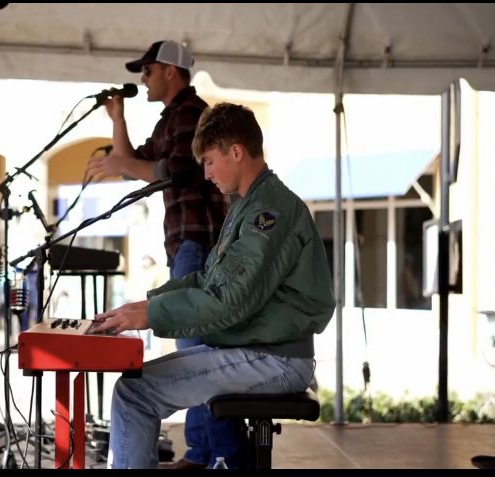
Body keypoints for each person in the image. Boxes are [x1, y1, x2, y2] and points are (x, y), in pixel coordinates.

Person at [91, 102, 337, 469]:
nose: (205, 174)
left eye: (208, 161)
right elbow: (210, 281)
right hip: (261, 350)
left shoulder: (268, 212)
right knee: (134, 387)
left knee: (136, 394)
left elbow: (229, 301)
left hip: (276, 359)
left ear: (236, 152)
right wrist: (142, 307)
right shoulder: (248, 205)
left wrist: (150, 314)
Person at [86, 40, 234, 469]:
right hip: (187, 245)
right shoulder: (172, 117)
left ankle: (216, 455)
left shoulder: (190, 112)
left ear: (171, 70)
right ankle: (203, 451)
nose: (143, 80)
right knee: (194, 352)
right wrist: (118, 118)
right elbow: (134, 159)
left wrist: (120, 166)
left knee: (197, 355)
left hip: (200, 244)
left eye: (147, 71)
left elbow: (176, 171)